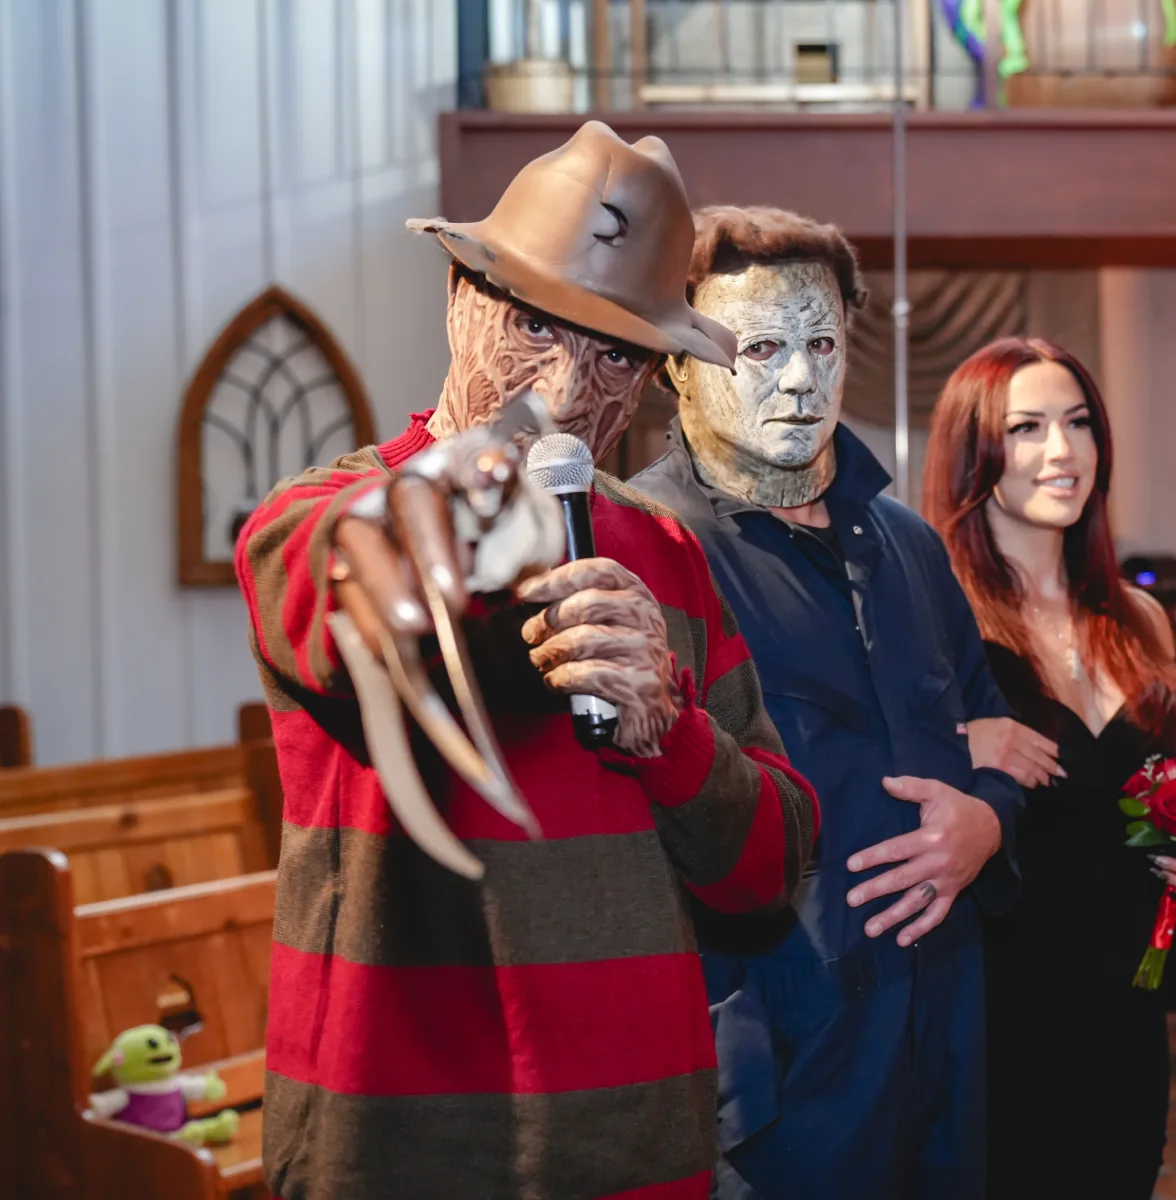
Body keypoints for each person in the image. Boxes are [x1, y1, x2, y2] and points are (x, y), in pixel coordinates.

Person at [236, 124, 819, 1200]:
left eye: (612, 351)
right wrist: (507, 466)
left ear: (652, 377)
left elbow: (769, 871)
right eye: (533, 322)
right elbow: (351, 599)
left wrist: (672, 738)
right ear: (459, 299)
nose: (561, 383)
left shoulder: (669, 554)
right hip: (400, 1149)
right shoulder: (317, 518)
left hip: (638, 1138)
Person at [628, 206, 1033, 1200]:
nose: (801, 378)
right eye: (759, 348)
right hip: (773, 1068)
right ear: (678, 361)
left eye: (821, 342)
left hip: (943, 1035)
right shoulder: (640, 546)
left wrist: (988, 819)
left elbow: (991, 725)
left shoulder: (908, 545)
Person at [923, 337, 1176, 1199]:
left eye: (1079, 422)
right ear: (977, 452)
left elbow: (1163, 796)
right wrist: (959, 744)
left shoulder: (1140, 619)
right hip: (1002, 1003)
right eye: (1028, 428)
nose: (1064, 451)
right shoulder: (938, 619)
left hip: (1127, 1003)